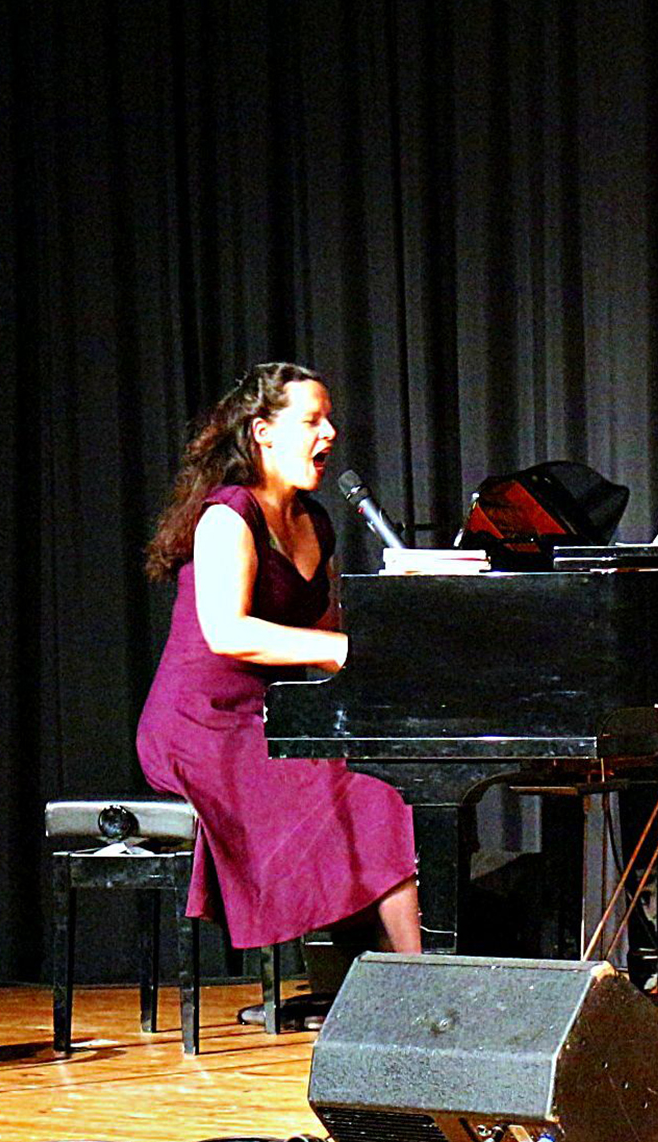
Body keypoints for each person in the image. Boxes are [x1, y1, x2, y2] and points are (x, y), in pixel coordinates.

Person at [137, 362, 420, 977]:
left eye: (329, 420)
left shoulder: (315, 522)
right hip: (200, 727)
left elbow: (326, 633)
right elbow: (228, 632)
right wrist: (339, 648)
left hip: (269, 721)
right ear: (263, 432)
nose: (330, 434)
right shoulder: (228, 514)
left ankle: (374, 982)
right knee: (372, 795)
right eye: (312, 420)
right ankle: (419, 983)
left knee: (387, 778)